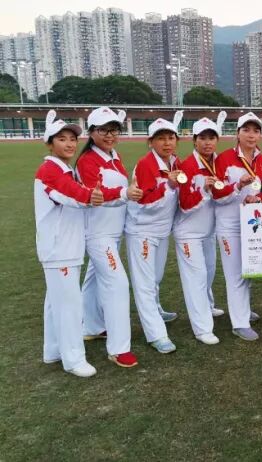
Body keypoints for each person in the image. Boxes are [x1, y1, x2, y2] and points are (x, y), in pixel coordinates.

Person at [35, 112, 104, 377]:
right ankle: (74, 359)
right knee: (69, 305)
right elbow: (73, 195)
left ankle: (53, 350)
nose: (70, 144)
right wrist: (94, 195)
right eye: (62, 139)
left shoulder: (61, 169)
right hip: (59, 249)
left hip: (62, 247)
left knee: (56, 302)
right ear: (49, 143)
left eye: (73, 139)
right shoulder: (51, 171)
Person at [76, 106, 142, 369]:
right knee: (117, 284)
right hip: (98, 234)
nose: (110, 135)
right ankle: (118, 348)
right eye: (103, 130)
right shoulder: (87, 161)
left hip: (113, 232)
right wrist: (125, 193)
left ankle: (91, 325)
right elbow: (96, 194)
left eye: (114, 130)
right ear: (92, 132)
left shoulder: (114, 156)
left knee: (93, 282)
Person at [124, 115, 184, 354]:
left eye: (171, 138)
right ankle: (156, 334)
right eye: (161, 139)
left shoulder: (175, 162)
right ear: (150, 142)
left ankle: (156, 309)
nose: (167, 143)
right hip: (142, 231)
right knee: (144, 283)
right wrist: (168, 185)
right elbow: (146, 202)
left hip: (161, 230)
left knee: (156, 277)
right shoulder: (146, 164)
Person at [213, 113, 262, 341]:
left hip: (253, 224)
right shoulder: (224, 158)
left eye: (255, 131)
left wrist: (258, 199)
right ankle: (239, 323)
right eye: (246, 130)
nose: (251, 135)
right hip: (229, 225)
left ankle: (243, 309)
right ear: (237, 133)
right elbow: (216, 194)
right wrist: (237, 185)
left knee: (248, 270)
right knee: (234, 273)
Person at [173, 117, 226, 345]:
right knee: (196, 278)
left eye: (211, 137)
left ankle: (208, 305)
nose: (207, 142)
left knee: (209, 273)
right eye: (202, 138)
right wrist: (205, 190)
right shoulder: (186, 166)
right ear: (194, 140)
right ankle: (202, 328)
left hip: (209, 231)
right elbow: (184, 204)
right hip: (189, 233)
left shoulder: (219, 162)